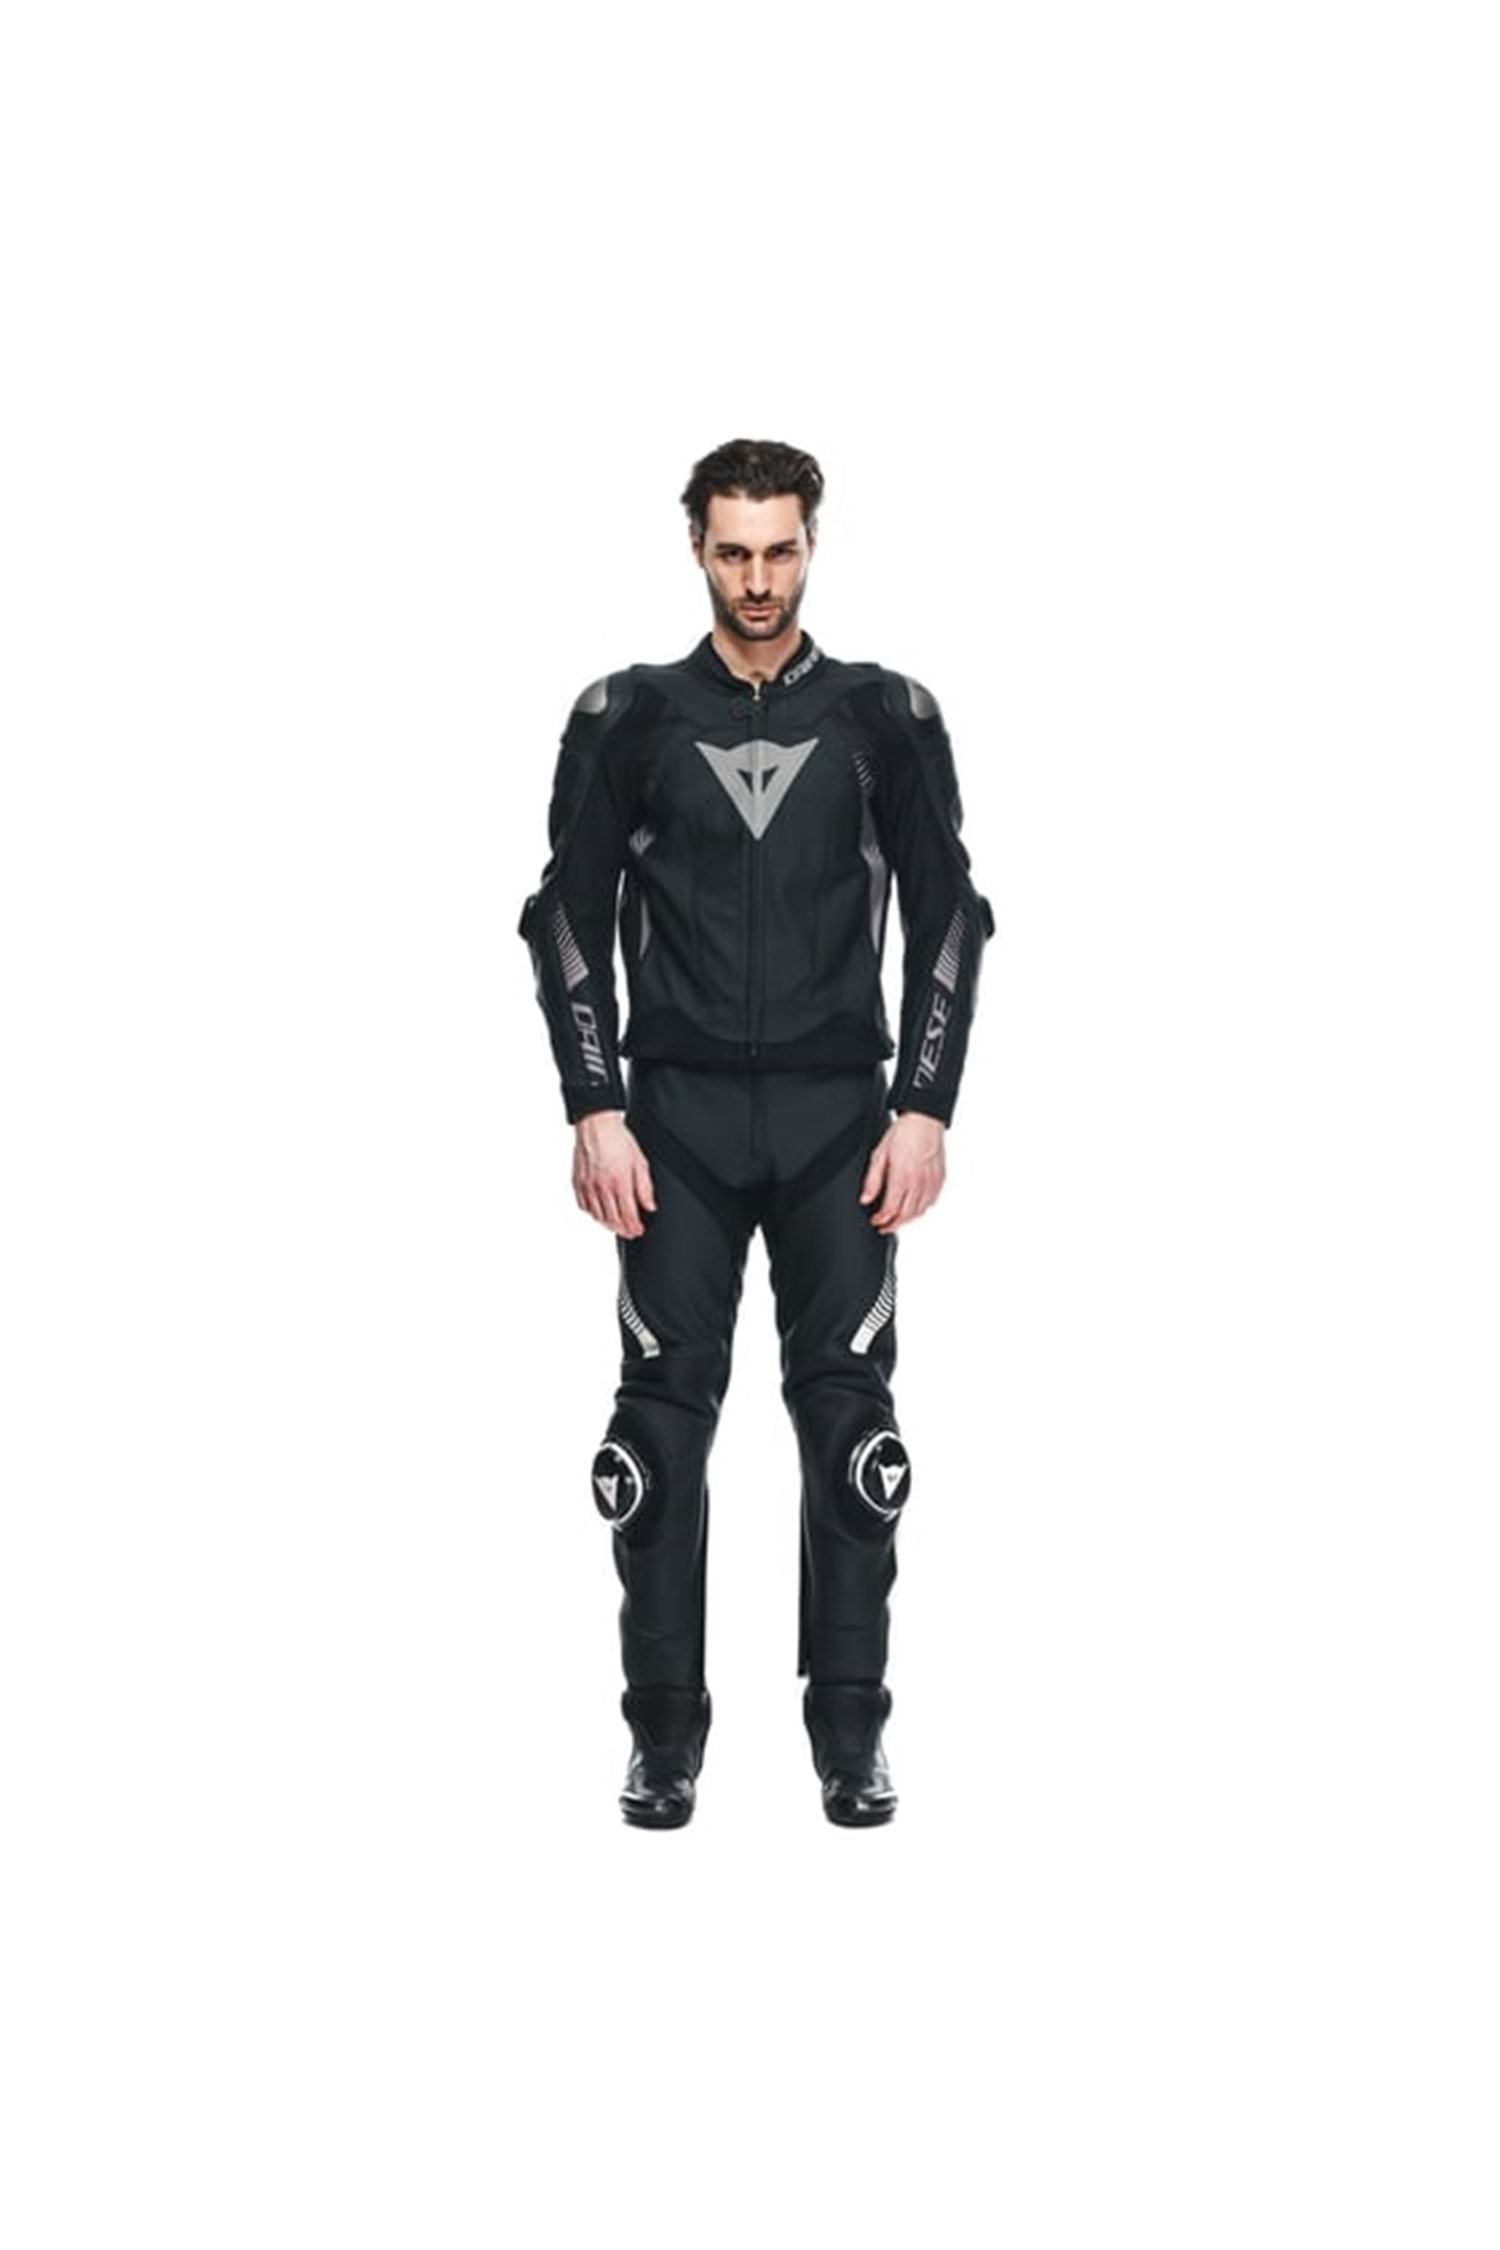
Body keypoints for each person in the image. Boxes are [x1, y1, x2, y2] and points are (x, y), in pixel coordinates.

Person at [517, 438, 995, 1828]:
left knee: (856, 1441)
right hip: (673, 1124)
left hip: (842, 1120)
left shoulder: (884, 715)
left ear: (812, 544)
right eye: (733, 550)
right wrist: (594, 1104)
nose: (759, 578)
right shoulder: (629, 715)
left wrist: (925, 1105)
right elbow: (564, 917)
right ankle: (663, 1738)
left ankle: (850, 1734)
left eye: (780, 548)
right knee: (653, 1446)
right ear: (697, 549)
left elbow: (950, 914)